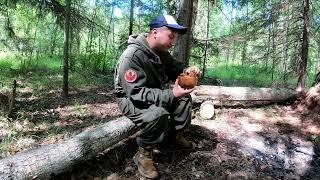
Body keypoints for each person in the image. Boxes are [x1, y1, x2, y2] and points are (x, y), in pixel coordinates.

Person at [114, 14, 201, 179]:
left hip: (150, 94)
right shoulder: (132, 56)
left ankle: (173, 136)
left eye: (174, 37)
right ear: (155, 32)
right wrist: (171, 94)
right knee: (159, 114)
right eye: (170, 36)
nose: (173, 41)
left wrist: (189, 71)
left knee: (183, 99)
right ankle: (143, 153)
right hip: (130, 98)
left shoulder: (161, 52)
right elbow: (136, 93)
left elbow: (177, 69)